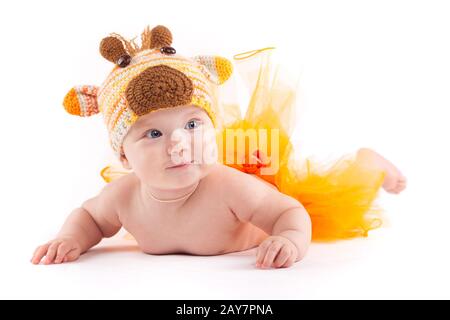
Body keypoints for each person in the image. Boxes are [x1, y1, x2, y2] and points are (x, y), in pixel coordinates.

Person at [31, 25, 406, 268]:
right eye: (154, 134)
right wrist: (71, 238)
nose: (179, 143)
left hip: (266, 183)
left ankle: (367, 165)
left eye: (193, 125)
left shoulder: (230, 188)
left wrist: (289, 238)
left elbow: (288, 212)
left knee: (329, 194)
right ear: (124, 156)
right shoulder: (121, 197)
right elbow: (91, 218)